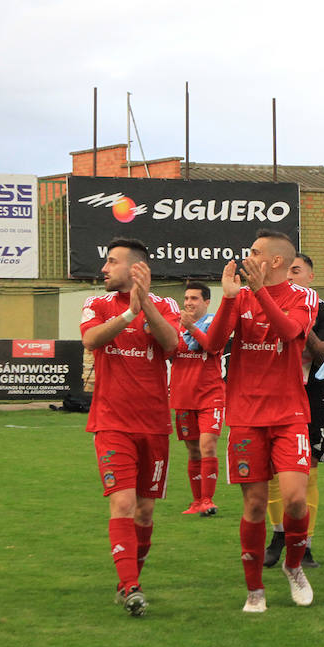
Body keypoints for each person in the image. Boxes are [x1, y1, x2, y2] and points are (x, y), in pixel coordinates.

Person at [205, 231, 318, 610]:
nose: (247, 256)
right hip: (247, 417)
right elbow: (214, 344)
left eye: (254, 252)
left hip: (289, 416)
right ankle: (255, 590)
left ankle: (293, 566)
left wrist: (260, 294)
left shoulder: (304, 297)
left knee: (296, 500)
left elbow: (289, 333)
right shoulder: (241, 295)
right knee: (254, 504)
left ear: (275, 262)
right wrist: (229, 297)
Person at [80, 237, 181, 617]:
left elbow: (171, 343)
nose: (104, 269)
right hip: (112, 423)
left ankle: (128, 582)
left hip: (154, 425)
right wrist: (126, 315)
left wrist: (145, 305)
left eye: (111, 262)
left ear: (135, 268)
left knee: (145, 513)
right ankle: (132, 586)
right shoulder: (98, 304)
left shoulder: (166, 305)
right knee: (122, 504)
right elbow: (91, 339)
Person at [264, 253, 324, 569]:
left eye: (296, 271)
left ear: (310, 276)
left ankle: (305, 544)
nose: (289, 277)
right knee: (269, 470)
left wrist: (300, 326)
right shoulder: (262, 302)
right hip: (270, 398)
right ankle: (279, 533)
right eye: (285, 271)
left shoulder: (321, 309)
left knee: (309, 469)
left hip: (309, 398)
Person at [171, 281, 225, 516]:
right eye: (186, 299)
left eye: (194, 298)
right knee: (193, 451)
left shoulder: (214, 323)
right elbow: (168, 352)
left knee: (208, 446)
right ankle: (196, 502)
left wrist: (191, 328)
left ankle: (208, 500)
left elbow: (212, 347)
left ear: (206, 301)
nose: (188, 303)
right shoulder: (176, 326)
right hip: (183, 397)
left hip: (209, 396)